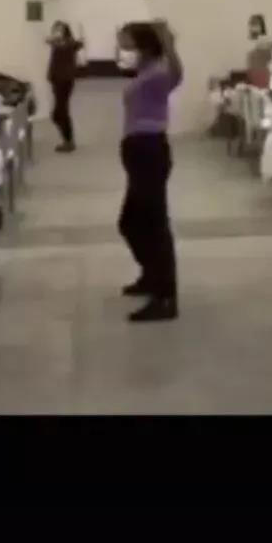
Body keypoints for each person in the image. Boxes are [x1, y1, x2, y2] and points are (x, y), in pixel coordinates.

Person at [117, 20, 183, 322]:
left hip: (150, 150)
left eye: (127, 44)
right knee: (131, 222)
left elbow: (177, 74)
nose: (122, 49)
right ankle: (151, 275)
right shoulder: (145, 71)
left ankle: (165, 296)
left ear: (143, 46)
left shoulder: (158, 71)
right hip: (137, 150)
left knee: (154, 223)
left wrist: (169, 42)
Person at [46, 21, 83, 152]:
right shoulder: (58, 44)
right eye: (55, 29)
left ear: (65, 32)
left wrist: (56, 41)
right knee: (59, 112)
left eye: (59, 30)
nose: (56, 32)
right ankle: (68, 140)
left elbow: (72, 45)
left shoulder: (68, 43)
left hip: (64, 81)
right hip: (57, 80)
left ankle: (69, 141)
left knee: (60, 112)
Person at [246, 14, 272, 88]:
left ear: (262, 26)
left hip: (264, 74)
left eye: (256, 24)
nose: (253, 27)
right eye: (252, 24)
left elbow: (270, 57)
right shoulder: (249, 42)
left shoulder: (267, 40)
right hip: (252, 74)